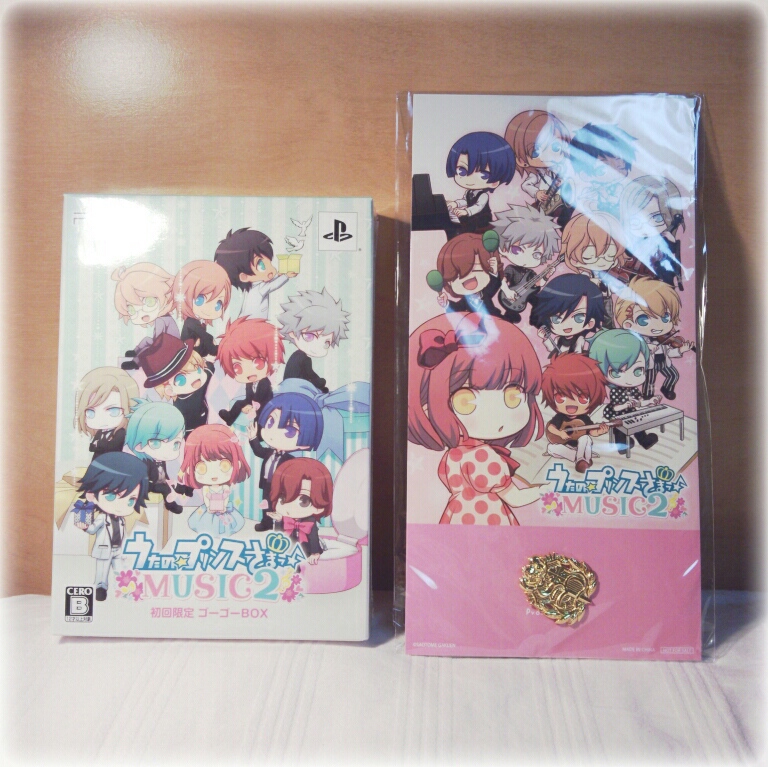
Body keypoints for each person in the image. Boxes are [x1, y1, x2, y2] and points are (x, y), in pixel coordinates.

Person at [408, 312, 543, 525]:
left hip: (457, 517)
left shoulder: (455, 454)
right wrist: (546, 490)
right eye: (466, 401)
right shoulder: (483, 456)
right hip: (488, 522)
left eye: (513, 396)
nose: (497, 415)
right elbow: (515, 498)